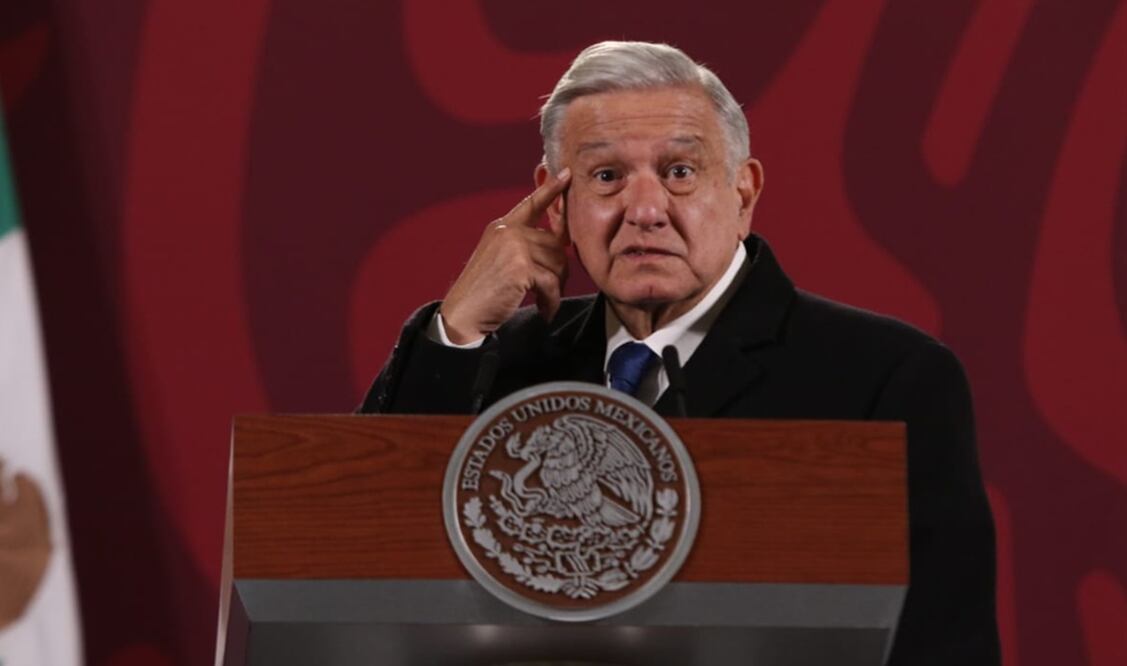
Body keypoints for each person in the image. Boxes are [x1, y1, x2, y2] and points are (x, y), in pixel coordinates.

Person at [359, 41, 999, 664]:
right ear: (556, 201)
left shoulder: (888, 378)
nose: (644, 210)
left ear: (743, 193)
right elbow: (357, 550)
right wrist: (457, 330)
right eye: (606, 176)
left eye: (679, 172)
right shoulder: (498, 360)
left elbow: (943, 644)